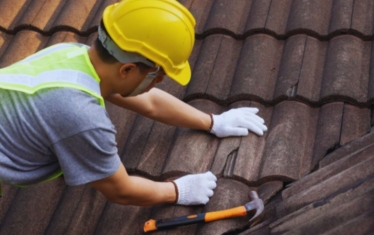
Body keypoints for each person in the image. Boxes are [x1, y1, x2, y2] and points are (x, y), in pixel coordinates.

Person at [0, 0, 267, 206]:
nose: (159, 82)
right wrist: (176, 191)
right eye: (157, 75)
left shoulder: (72, 54)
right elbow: (120, 190)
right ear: (127, 70)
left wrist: (212, 121)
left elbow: (149, 102)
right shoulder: (81, 118)